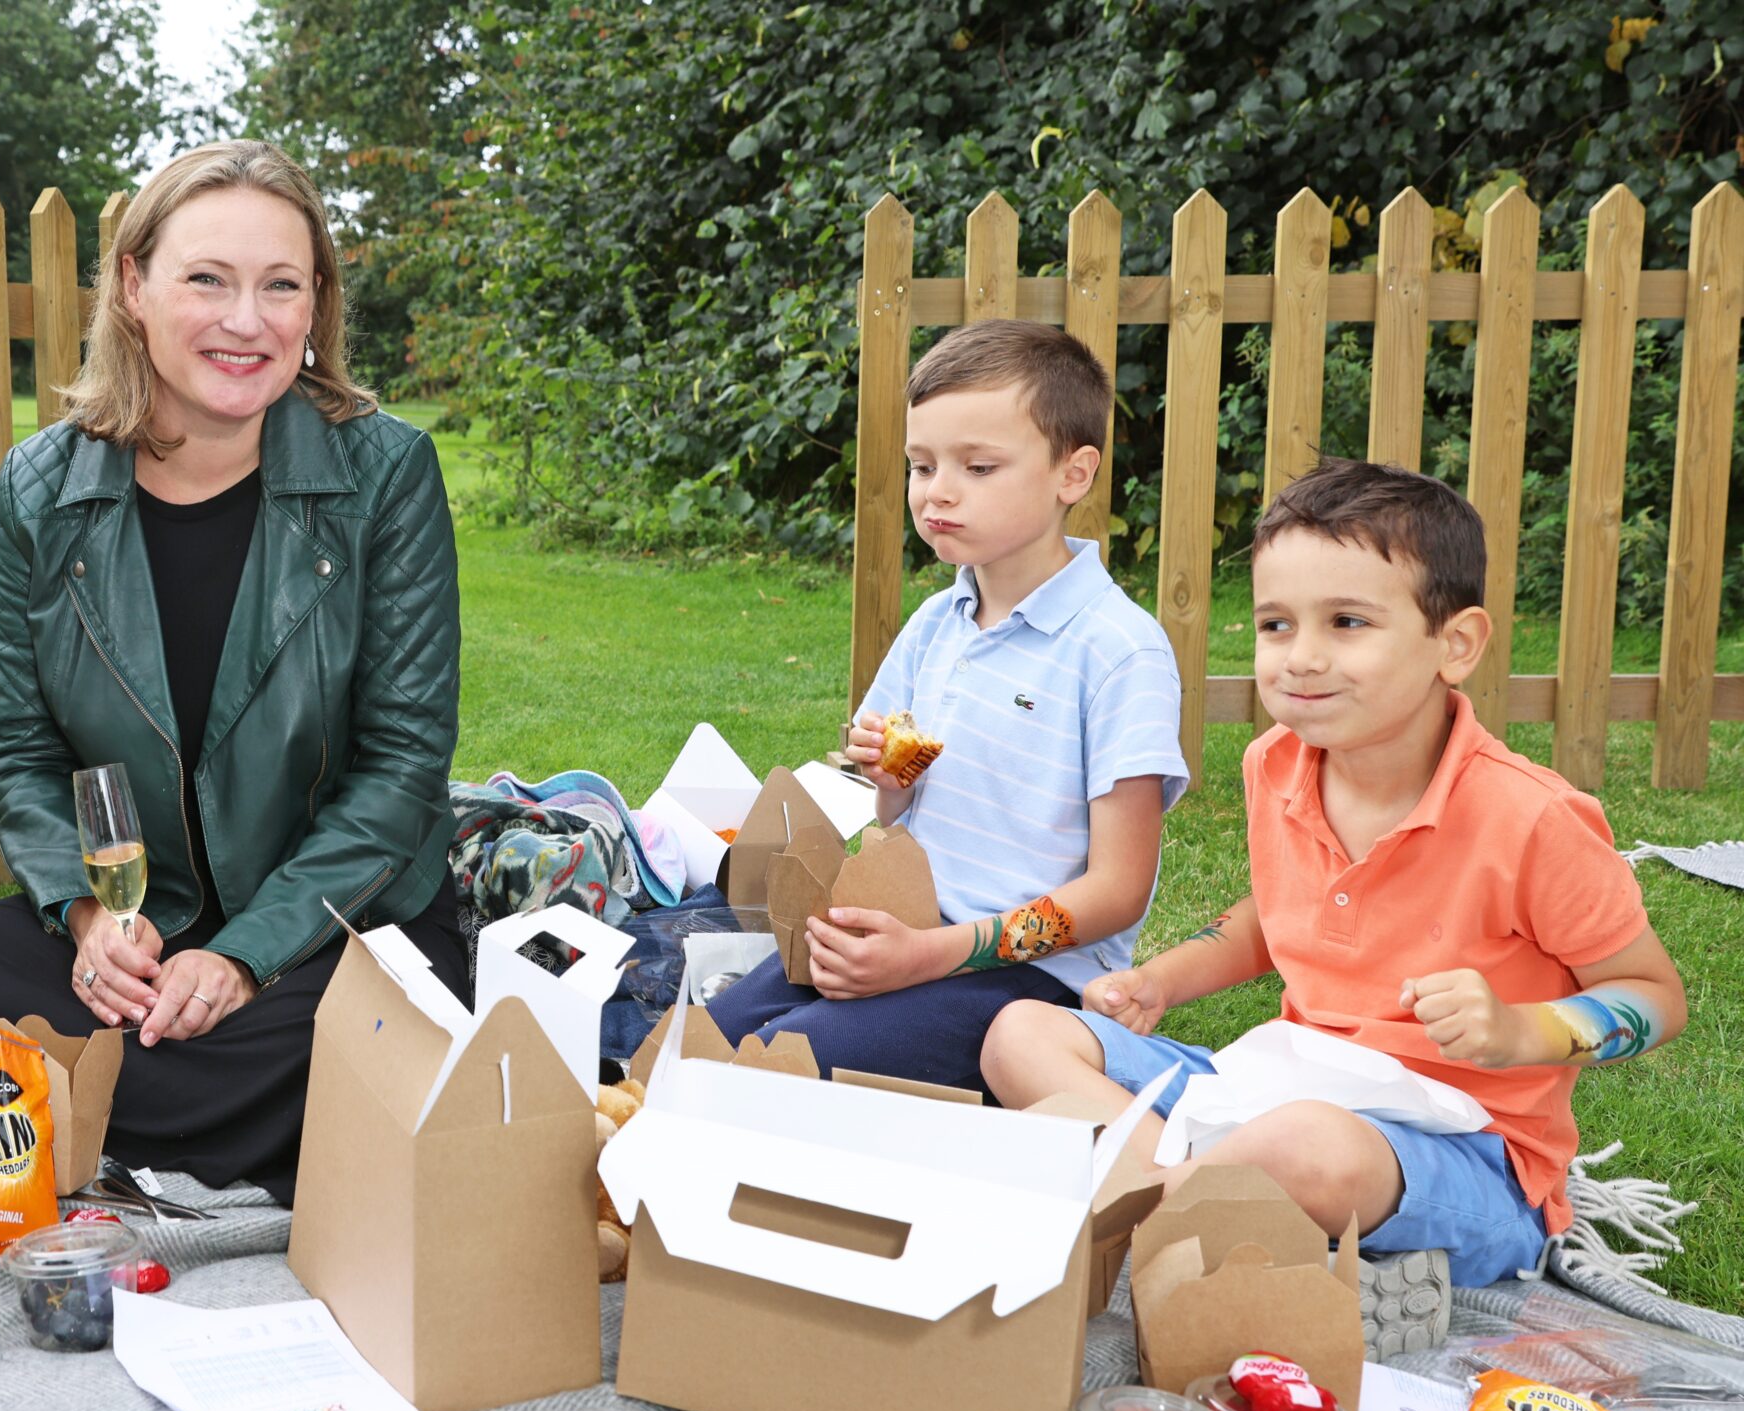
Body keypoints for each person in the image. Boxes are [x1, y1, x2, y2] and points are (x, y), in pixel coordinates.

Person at [0, 140, 466, 1203]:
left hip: (335, 926)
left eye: (282, 285)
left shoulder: (384, 472)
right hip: (143, 927)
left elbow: (401, 768)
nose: (246, 319)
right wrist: (91, 924)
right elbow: (26, 756)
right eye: (206, 279)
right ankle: (178, 1124)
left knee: (360, 1041)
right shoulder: (44, 486)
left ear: (317, 304)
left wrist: (241, 957)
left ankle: (48, 1103)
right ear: (134, 285)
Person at [981, 458, 1689, 1288]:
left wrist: (1522, 1031)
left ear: (1455, 645)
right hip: (1285, 1084)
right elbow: (1276, 916)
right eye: (1276, 625)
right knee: (1021, 1033)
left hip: (1460, 1151)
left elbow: (1655, 996)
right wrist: (1162, 982)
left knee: (1309, 1149)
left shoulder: (1532, 819)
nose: (1301, 657)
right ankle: (1181, 1202)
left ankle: (1146, 1209)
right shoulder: (1276, 765)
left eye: (1347, 622)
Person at [708, 320, 1188, 1092]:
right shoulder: (938, 624)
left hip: (1025, 987)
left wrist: (930, 954)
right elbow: (895, 817)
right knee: (695, 1040)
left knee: (771, 1068)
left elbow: (1118, 888)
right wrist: (888, 781)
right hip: (907, 929)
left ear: (1074, 473)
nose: (939, 491)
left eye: (979, 466)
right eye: (922, 465)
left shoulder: (1117, 651)